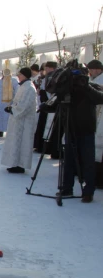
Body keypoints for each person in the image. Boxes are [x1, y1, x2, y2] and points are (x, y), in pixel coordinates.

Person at [50, 63, 103, 202]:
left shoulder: (91, 87)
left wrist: (86, 87)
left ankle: (88, 191)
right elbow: (54, 98)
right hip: (70, 127)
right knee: (68, 160)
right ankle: (67, 187)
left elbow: (100, 98)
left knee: (88, 161)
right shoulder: (68, 88)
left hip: (86, 129)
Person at [1, 67, 37, 174]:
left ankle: (20, 165)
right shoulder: (23, 86)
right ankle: (14, 163)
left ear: (25, 75)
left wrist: (13, 109)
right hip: (18, 120)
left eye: (20, 74)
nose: (18, 76)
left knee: (22, 142)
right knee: (16, 142)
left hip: (24, 121)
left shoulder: (29, 88)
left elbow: (24, 105)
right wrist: (11, 107)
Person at [33, 61, 60, 155]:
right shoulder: (45, 77)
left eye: (48, 68)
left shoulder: (55, 77)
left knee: (48, 127)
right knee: (42, 126)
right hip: (44, 104)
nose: (46, 70)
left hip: (51, 105)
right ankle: (40, 146)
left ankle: (47, 148)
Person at [87, 59, 103, 188]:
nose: (90, 72)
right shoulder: (93, 80)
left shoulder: (100, 81)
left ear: (98, 69)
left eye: (91, 70)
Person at [0, 67, 19, 137]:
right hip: (0, 104)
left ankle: (9, 133)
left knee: (9, 118)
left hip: (9, 103)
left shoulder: (14, 81)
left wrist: (15, 101)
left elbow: (17, 91)